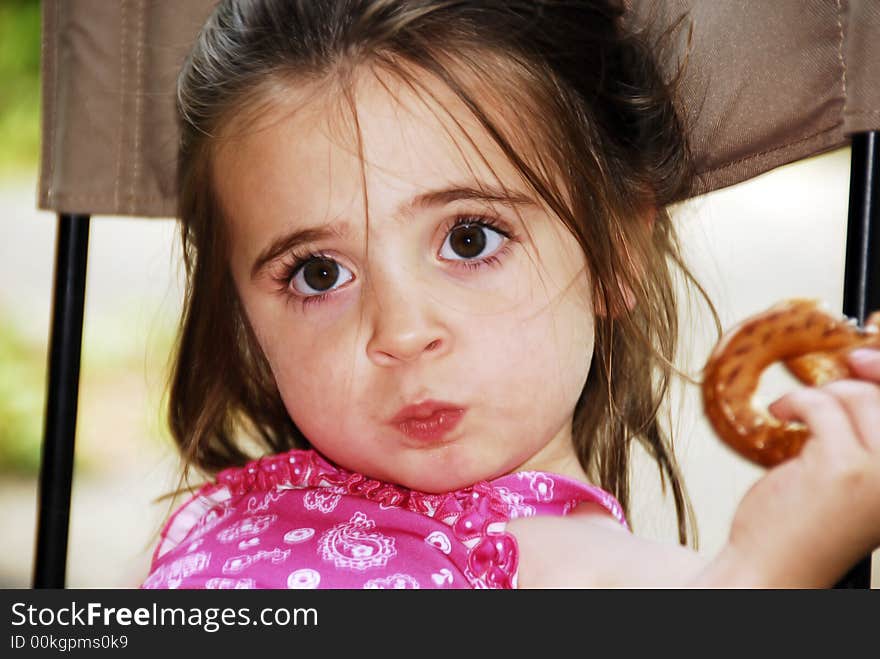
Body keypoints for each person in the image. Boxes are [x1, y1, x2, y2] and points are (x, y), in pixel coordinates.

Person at [142, 0, 880, 589]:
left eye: (469, 239)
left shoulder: (591, 573)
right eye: (319, 273)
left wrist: (772, 569)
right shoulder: (230, 516)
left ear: (616, 245)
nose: (401, 331)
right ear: (243, 320)